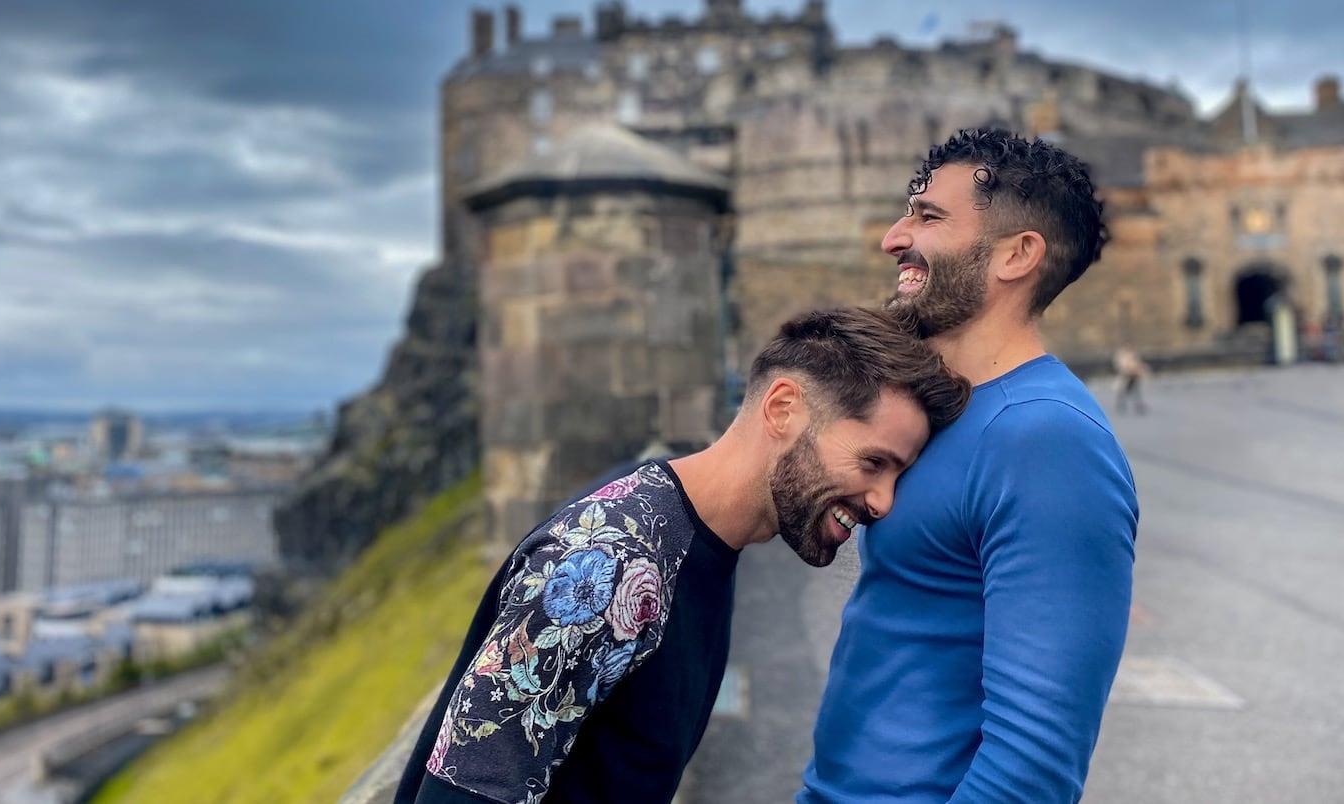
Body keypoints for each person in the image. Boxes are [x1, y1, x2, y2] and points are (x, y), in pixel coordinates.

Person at [395, 307, 971, 804]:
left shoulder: (705, 542)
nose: (884, 502)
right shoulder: (607, 561)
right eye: (874, 463)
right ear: (783, 408)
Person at [802, 128, 1140, 803]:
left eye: (927, 217)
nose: (894, 237)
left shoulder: (1046, 440)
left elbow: (1034, 766)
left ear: (1017, 255)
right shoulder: (941, 413)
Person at [1112, 343, 1151, 415]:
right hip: (1126, 376)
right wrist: (1128, 370)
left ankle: (1135, 405)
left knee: (1134, 391)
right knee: (1125, 391)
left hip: (1133, 376)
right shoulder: (1122, 356)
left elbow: (1137, 365)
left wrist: (1138, 371)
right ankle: (1122, 405)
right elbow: (1122, 366)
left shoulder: (1133, 355)